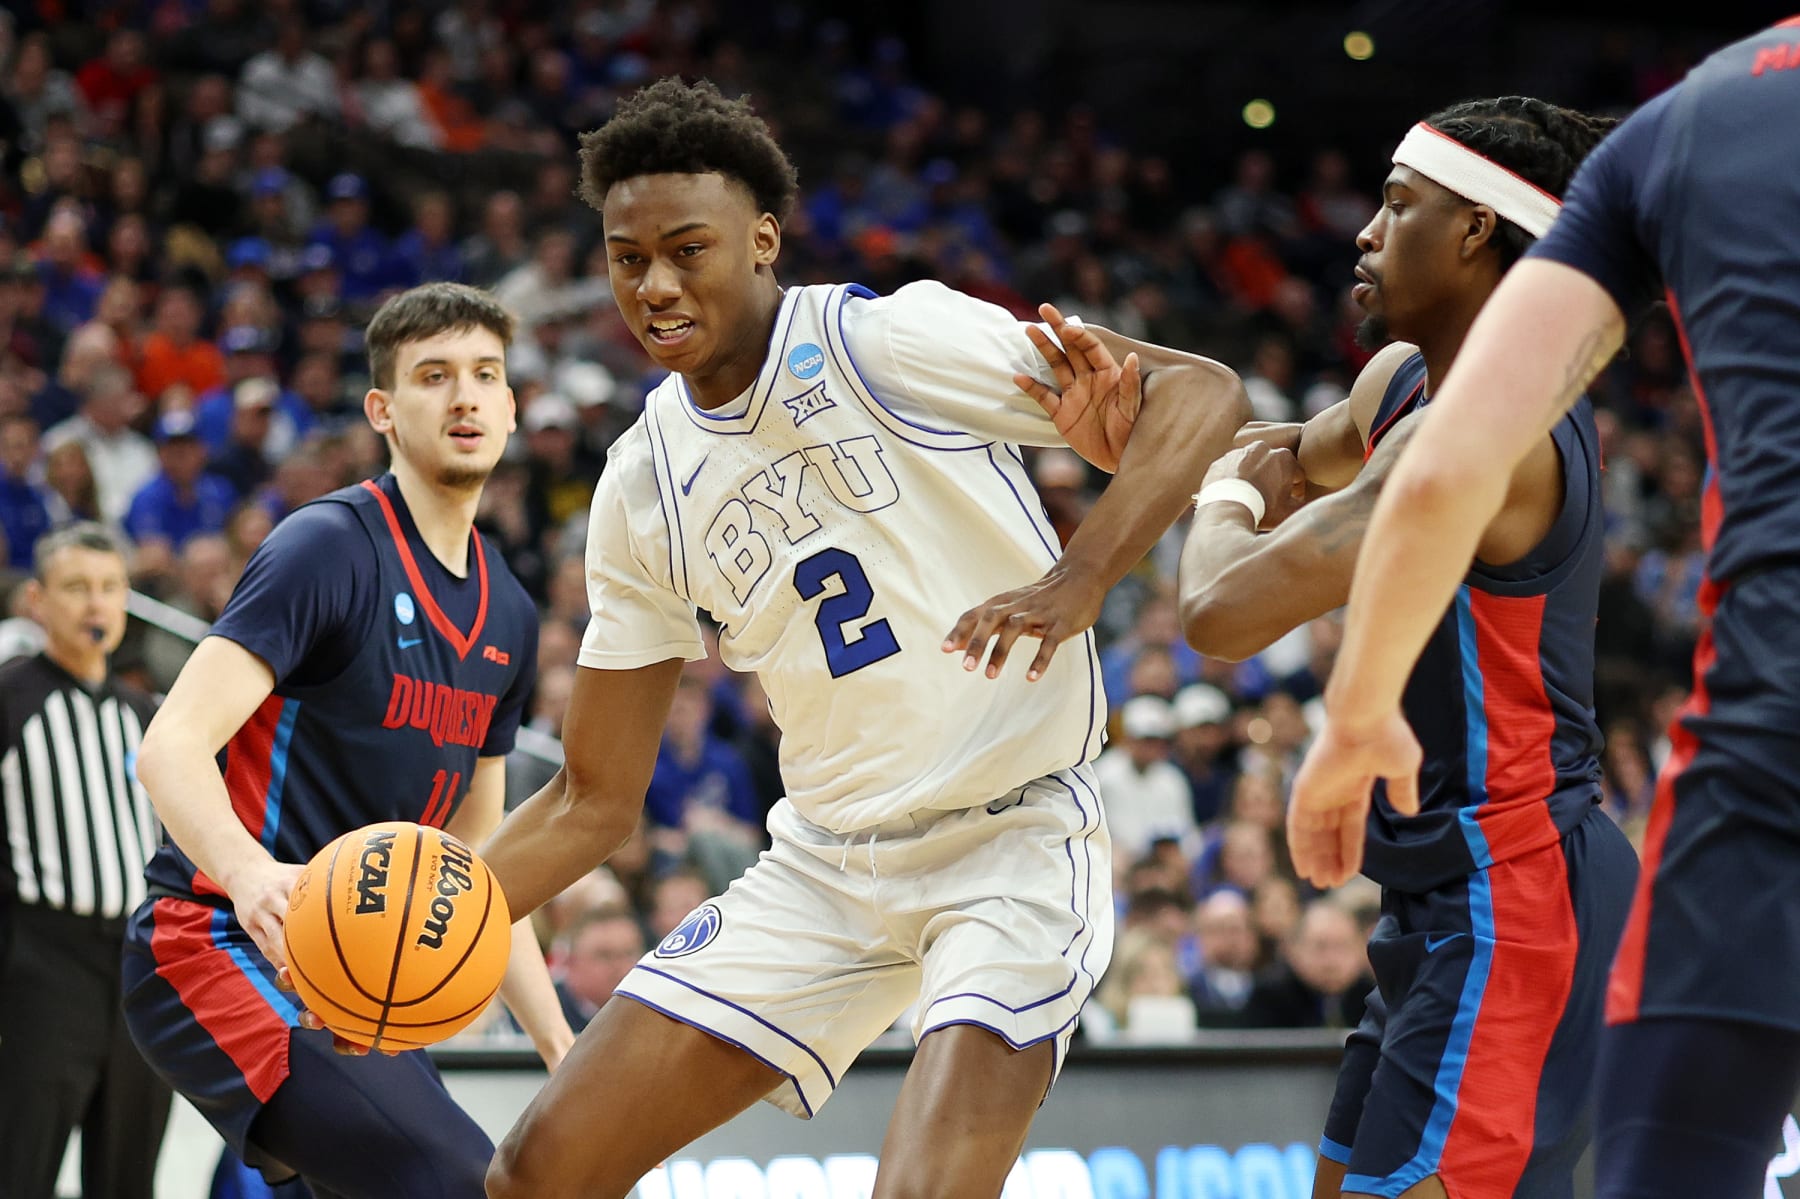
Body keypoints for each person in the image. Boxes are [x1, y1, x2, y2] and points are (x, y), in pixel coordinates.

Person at [478, 78, 1248, 1199]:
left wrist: (1080, 578)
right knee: (535, 1175)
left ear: (763, 240)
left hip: (1011, 841)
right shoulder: (641, 481)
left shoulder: (887, 339)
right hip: (825, 865)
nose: (653, 284)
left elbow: (1200, 393)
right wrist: (431, 913)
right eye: (625, 256)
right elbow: (594, 796)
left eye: (686, 249)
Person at [1032, 98, 1640, 1199]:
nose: (1363, 231)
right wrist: (1152, 440)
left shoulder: (1484, 438)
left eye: (1398, 205)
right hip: (1439, 895)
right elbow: (1278, 457)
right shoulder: (1406, 378)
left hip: (1519, 889)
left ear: (1475, 233)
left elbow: (1220, 609)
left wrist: (1209, 490)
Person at [1288, 22, 1800, 1199]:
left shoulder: (1682, 125)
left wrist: (1355, 711)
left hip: (1727, 763)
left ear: (1473, 228)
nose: (1366, 232)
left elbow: (1443, 468)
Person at [118, 283, 574, 1198]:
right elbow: (169, 745)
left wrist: (562, 1046)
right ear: (383, 410)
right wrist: (252, 877)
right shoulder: (325, 547)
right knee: (458, 1181)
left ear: (514, 408)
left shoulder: (511, 616)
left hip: (362, 980)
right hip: (218, 938)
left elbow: (481, 865)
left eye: (486, 375)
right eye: (433, 376)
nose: (465, 398)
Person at [0, 523, 171, 1199]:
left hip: (136, 968)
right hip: (41, 962)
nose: (95, 605)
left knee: (129, 1173)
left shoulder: (146, 714)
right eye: (76, 588)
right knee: (21, 1165)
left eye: (109, 587)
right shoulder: (10, 699)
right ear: (37, 601)